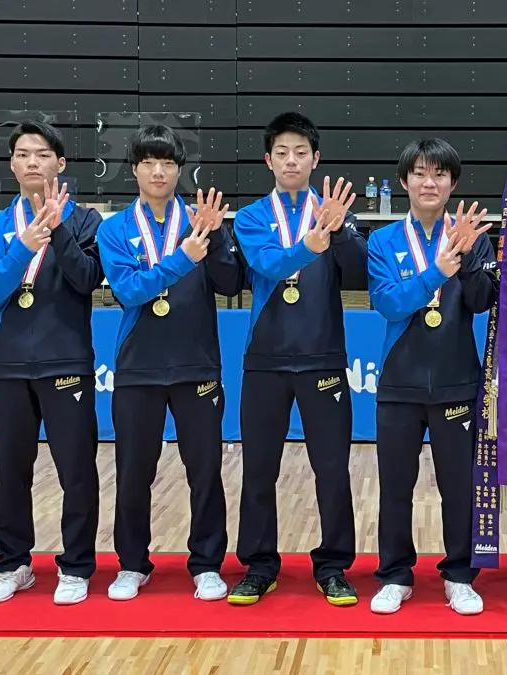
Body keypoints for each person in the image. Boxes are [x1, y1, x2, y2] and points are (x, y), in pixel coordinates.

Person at [97, 124, 243, 602]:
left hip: (196, 365)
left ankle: (206, 564)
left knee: (205, 471)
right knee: (133, 472)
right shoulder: (114, 228)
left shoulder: (200, 219)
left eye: (167, 163)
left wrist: (214, 237)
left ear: (180, 170)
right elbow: (128, 291)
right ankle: (131, 564)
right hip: (138, 366)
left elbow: (229, 284)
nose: (158, 172)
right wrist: (182, 258)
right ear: (135, 169)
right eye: (148, 163)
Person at [229, 111, 365, 607]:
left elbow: (360, 273)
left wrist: (340, 232)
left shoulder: (335, 213)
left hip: (322, 359)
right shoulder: (250, 218)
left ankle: (333, 566)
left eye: (301, 152)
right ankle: (259, 565)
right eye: (282, 153)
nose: (291, 160)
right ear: (268, 160)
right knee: (259, 469)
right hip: (265, 361)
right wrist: (310, 243)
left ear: (315, 159)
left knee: (332, 469)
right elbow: (267, 265)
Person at [0, 121, 104, 606]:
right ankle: (12, 564)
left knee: (77, 471)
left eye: (42, 154)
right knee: (10, 472)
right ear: (12, 164)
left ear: (59, 164)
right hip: (9, 367)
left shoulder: (85, 221)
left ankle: (77, 566)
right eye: (23, 154)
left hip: (66, 361)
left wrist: (58, 228)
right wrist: (22, 246)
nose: (32, 162)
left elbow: (87, 279)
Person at [366, 138, 495, 616]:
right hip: (399, 383)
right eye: (419, 173)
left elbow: (482, 301)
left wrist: (470, 259)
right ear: (404, 181)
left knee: (458, 487)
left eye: (439, 174)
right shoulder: (382, 241)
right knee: (395, 486)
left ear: (452, 183)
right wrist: (437, 272)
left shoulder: (471, 236)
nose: (429, 182)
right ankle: (395, 575)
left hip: (456, 380)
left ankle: (459, 575)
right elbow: (389, 303)